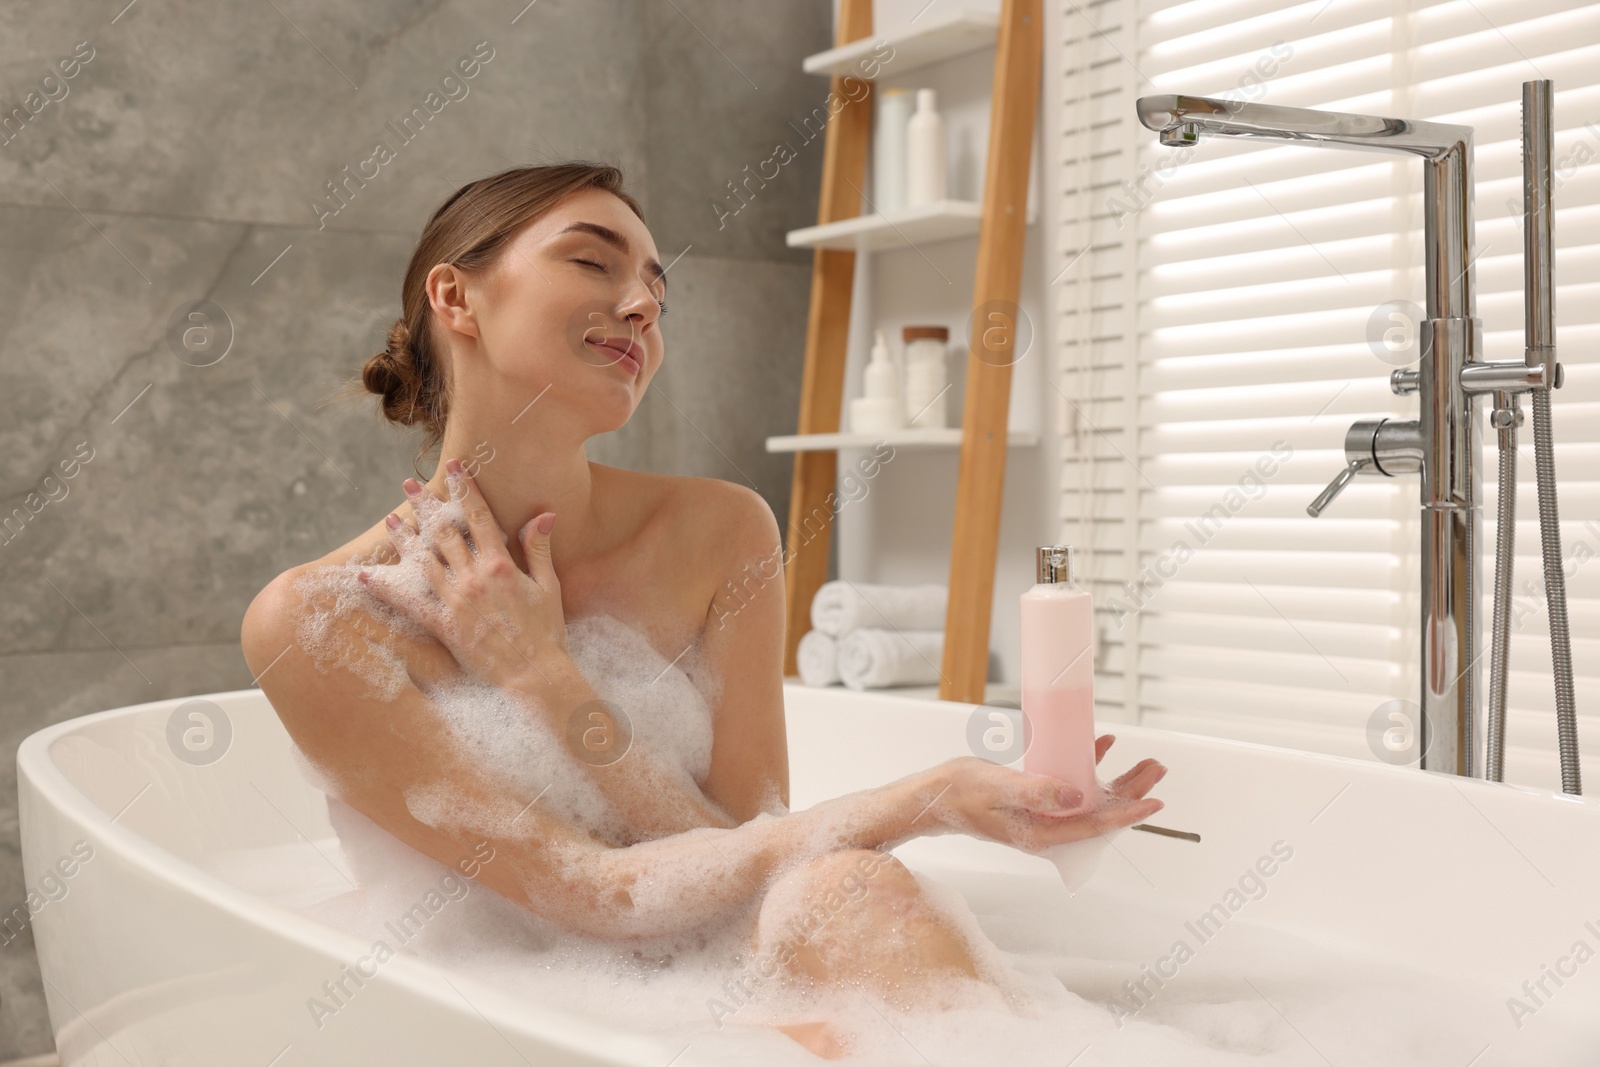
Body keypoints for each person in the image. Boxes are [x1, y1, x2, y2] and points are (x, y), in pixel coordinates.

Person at [240, 162, 1167, 1059]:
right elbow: (583, 891)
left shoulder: (720, 530)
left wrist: (545, 676)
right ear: (456, 299)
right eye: (592, 261)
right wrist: (931, 799)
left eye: (656, 288)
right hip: (513, 1001)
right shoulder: (319, 622)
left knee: (850, 893)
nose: (642, 304)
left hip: (704, 978)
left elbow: (745, 854)